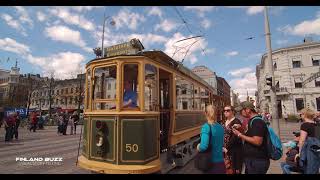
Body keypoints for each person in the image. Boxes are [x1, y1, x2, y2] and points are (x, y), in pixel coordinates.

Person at [233, 101, 270, 174]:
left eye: (241, 111)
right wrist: (242, 129)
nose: (240, 113)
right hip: (252, 161)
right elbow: (252, 134)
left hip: (257, 161)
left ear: (248, 110)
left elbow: (257, 141)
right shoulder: (252, 121)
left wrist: (239, 135)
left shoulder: (257, 122)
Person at [197, 105, 225, 174]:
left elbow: (203, 146)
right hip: (221, 164)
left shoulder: (206, 127)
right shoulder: (220, 127)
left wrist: (198, 147)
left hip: (210, 165)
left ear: (206, 113)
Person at [294, 108, 319, 174]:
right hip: (317, 150)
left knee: (308, 168)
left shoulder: (305, 125)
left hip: (309, 150)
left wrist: (300, 153)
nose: (300, 116)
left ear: (304, 115)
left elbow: (302, 140)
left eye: (301, 114)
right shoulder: (317, 124)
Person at [222, 105, 243, 174]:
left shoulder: (236, 122)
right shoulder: (225, 122)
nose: (225, 112)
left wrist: (226, 147)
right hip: (226, 151)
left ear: (233, 111)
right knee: (227, 169)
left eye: (228, 110)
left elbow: (235, 137)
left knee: (234, 170)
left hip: (234, 151)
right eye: (224, 111)